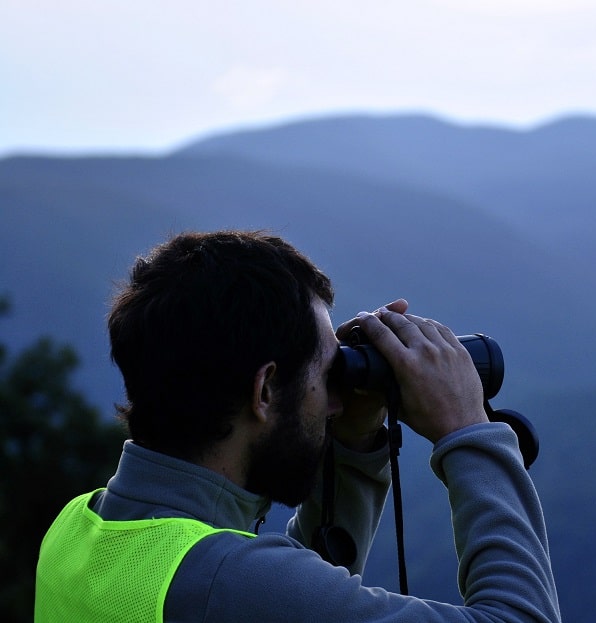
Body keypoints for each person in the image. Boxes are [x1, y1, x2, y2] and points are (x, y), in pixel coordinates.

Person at [34, 230, 560, 622]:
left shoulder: (77, 531)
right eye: (325, 372)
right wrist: (466, 428)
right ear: (264, 391)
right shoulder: (226, 579)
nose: (333, 401)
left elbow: (273, 591)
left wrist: (353, 445)